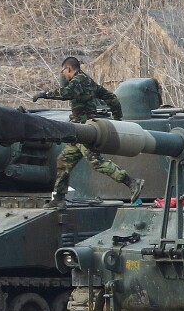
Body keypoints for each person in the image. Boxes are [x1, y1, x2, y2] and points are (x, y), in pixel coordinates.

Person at [33, 57, 144, 210]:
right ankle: (58, 198)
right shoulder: (88, 81)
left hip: (85, 131)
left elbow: (66, 93)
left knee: (96, 162)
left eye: (63, 71)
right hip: (78, 131)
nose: (63, 75)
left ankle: (132, 183)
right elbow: (111, 98)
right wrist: (118, 119)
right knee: (63, 161)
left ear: (69, 69)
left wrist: (44, 94)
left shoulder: (78, 81)